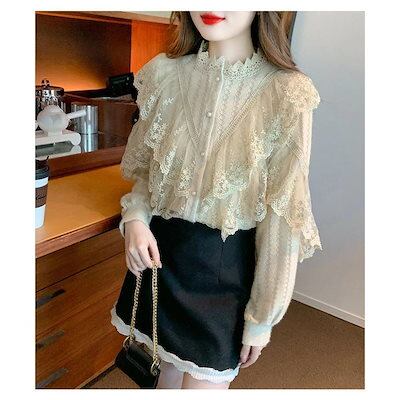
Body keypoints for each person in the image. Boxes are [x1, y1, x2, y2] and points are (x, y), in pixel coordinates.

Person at [110, 11, 323, 389]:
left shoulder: (286, 93)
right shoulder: (164, 74)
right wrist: (136, 218)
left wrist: (262, 317)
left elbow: (283, 216)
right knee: (161, 379)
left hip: (224, 276)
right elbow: (147, 172)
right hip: (160, 262)